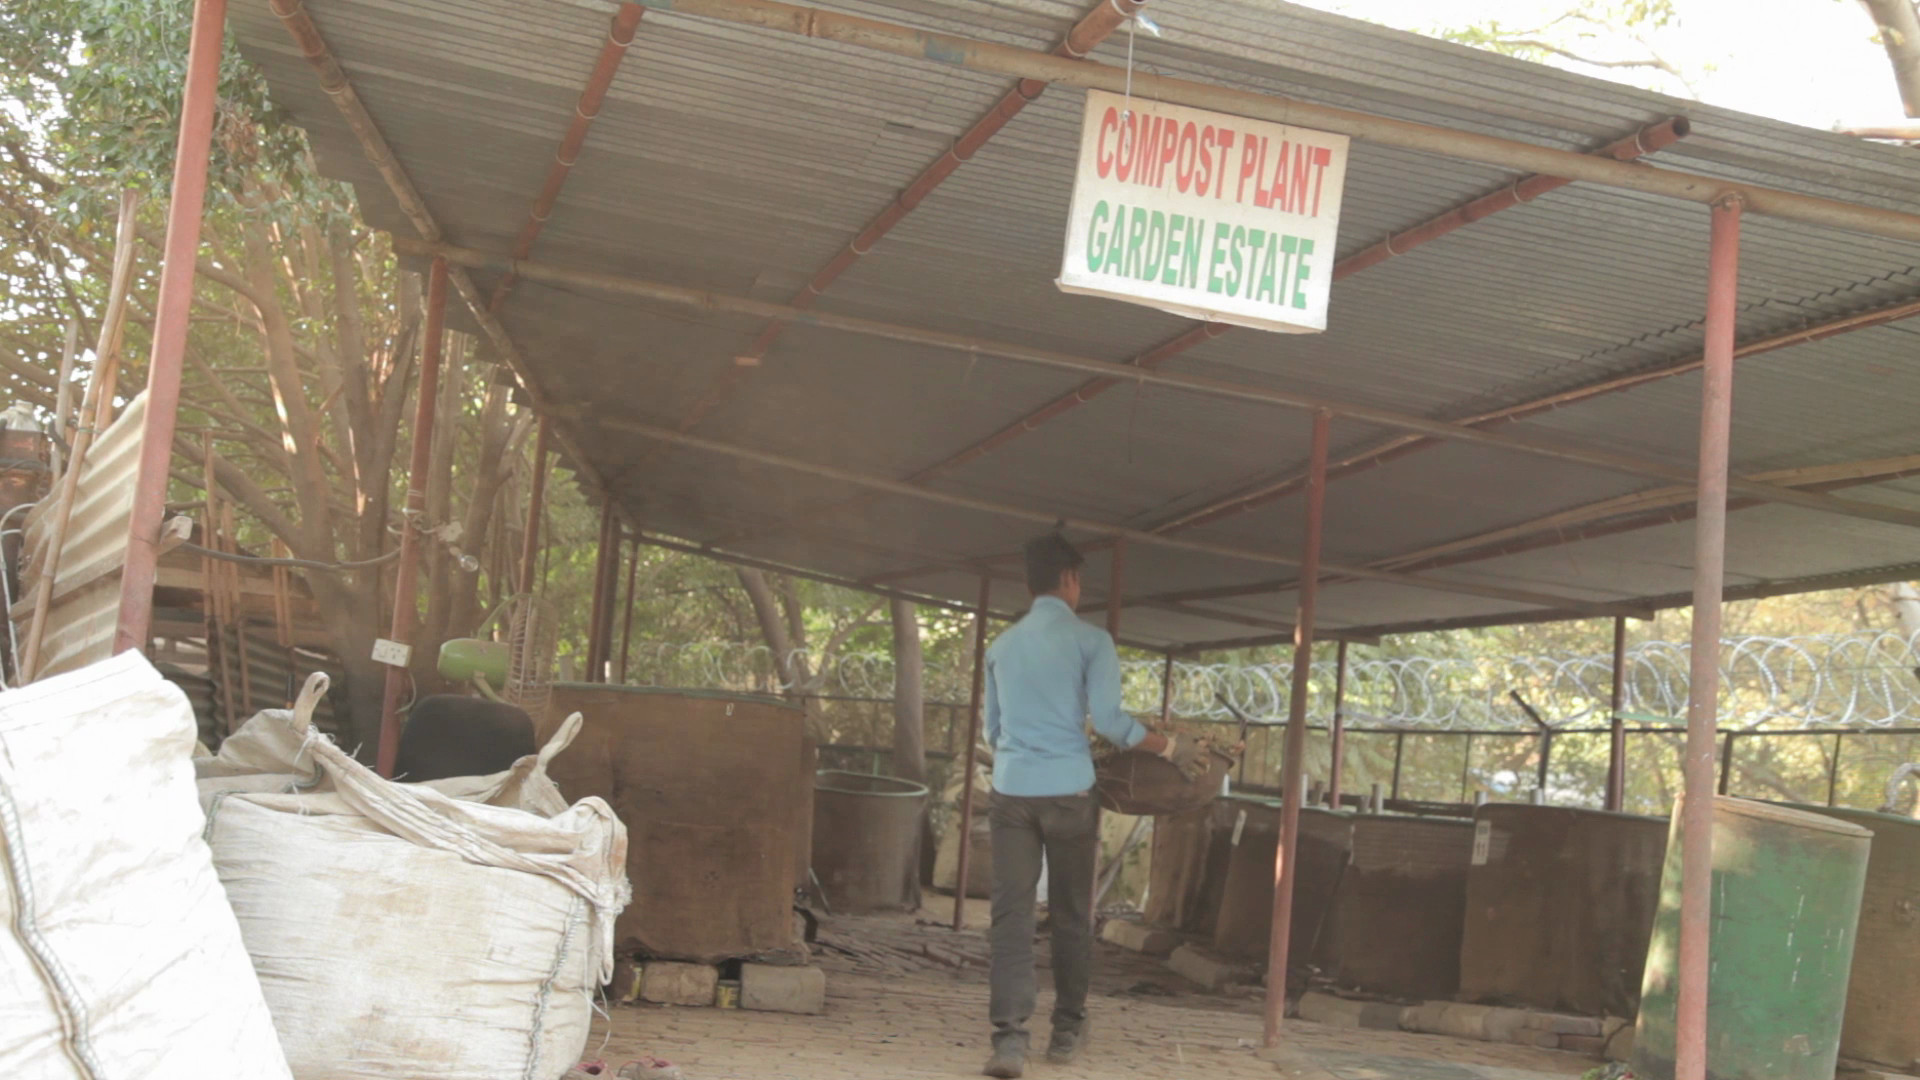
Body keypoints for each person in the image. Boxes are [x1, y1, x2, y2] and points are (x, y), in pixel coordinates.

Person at [979, 531, 1205, 1078]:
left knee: (1010, 917)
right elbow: (1109, 724)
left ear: (1030, 584)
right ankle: (1066, 1030)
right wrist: (1170, 746)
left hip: (1011, 792)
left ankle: (1010, 1042)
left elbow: (992, 730)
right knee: (1071, 914)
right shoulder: (1091, 641)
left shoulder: (1000, 647)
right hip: (1069, 794)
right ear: (1072, 580)